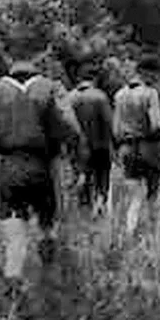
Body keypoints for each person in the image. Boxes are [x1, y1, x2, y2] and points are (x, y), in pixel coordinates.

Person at [0, 53, 84, 293]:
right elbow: (71, 127)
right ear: (34, 72)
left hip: (9, 167)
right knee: (47, 223)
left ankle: (13, 280)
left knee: (15, 236)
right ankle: (48, 280)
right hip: (42, 167)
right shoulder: (50, 88)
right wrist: (74, 158)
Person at [112, 57, 160, 236]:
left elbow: (116, 130)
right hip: (148, 149)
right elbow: (156, 125)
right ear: (147, 73)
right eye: (155, 75)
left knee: (134, 196)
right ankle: (153, 233)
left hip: (127, 150)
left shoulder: (119, 95)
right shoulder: (150, 93)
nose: (156, 79)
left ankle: (130, 232)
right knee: (152, 194)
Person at [67, 64, 115, 216]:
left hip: (77, 147)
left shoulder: (70, 97)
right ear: (95, 78)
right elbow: (109, 122)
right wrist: (114, 144)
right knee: (101, 178)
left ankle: (84, 208)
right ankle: (99, 206)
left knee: (81, 174)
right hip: (99, 146)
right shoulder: (100, 96)